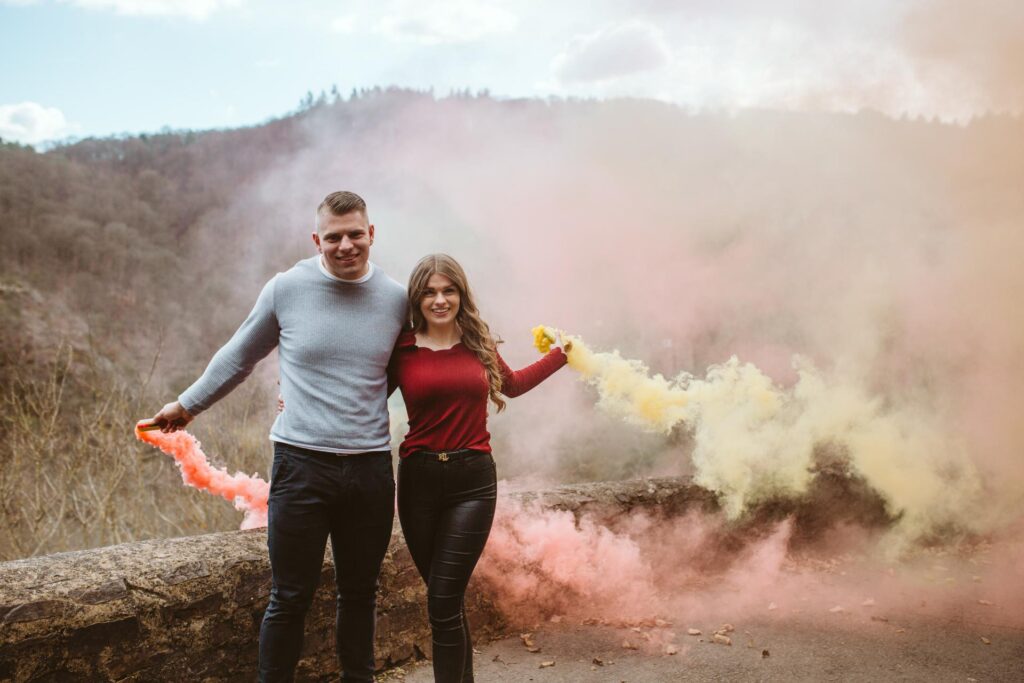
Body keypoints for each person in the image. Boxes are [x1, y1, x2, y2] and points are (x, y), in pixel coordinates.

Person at [147, 191, 407, 683]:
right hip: (300, 465)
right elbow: (238, 355)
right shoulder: (287, 289)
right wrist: (186, 405)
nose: (346, 245)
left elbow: (408, 369)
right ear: (317, 240)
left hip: (371, 467)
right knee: (289, 596)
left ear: (371, 234)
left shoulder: (396, 299)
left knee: (361, 593)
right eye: (334, 237)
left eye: (356, 234)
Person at [390, 254, 569, 682]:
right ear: (417, 298)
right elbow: (361, 395)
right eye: (429, 292)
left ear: (461, 294)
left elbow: (514, 385)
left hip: (472, 483)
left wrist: (562, 356)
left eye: (448, 290)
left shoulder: (478, 342)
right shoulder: (402, 348)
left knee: (442, 600)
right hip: (418, 482)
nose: (439, 300)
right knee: (445, 600)